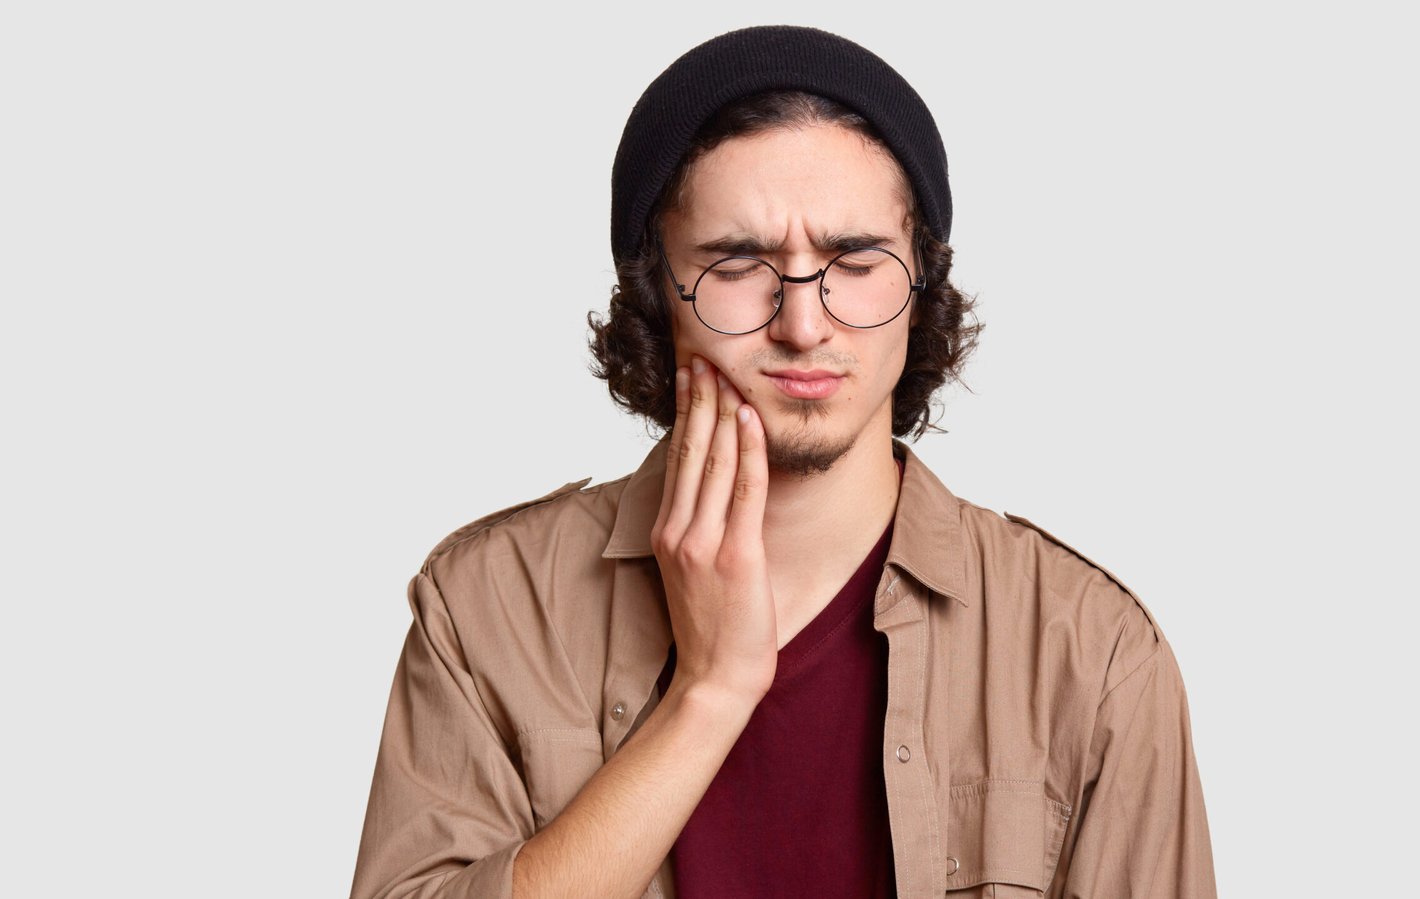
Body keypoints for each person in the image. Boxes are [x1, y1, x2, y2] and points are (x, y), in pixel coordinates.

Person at [350, 24, 1215, 899]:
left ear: (921, 285)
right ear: (657, 298)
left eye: (854, 259)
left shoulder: (1091, 653)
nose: (803, 323)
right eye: (738, 263)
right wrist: (709, 694)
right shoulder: (488, 609)